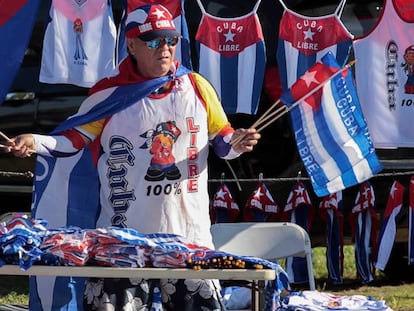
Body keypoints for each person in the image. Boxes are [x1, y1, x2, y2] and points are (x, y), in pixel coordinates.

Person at [5, 3, 260, 311]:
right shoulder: (107, 93)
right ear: (131, 45)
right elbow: (73, 141)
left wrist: (239, 142)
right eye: (153, 41)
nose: (164, 49)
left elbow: (222, 143)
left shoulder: (197, 86)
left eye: (170, 40)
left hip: (188, 236)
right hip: (122, 240)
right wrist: (35, 141)